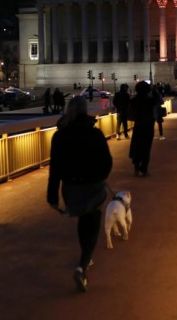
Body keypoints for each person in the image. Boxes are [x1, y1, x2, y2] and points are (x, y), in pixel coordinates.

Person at [47, 96, 113, 293]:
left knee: (83, 220)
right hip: (93, 185)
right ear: (86, 111)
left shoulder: (59, 136)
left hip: (71, 187)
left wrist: (52, 195)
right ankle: (82, 265)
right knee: (92, 224)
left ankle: (86, 257)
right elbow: (107, 162)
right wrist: (100, 176)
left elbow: (55, 168)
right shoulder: (95, 134)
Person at [129, 81, 158, 176]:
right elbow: (158, 100)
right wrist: (154, 90)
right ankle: (144, 169)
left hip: (138, 125)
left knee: (137, 146)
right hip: (148, 125)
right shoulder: (150, 100)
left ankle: (136, 168)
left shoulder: (134, 100)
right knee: (146, 147)